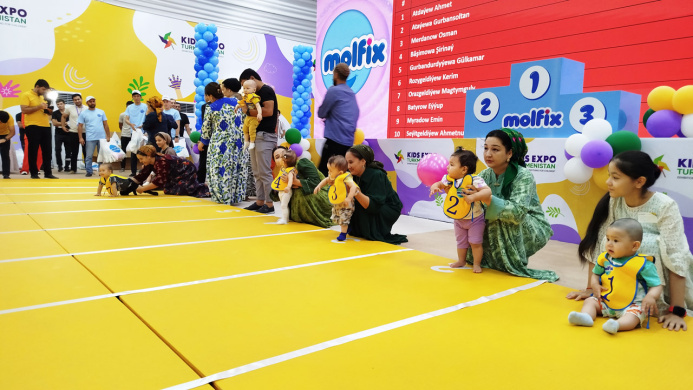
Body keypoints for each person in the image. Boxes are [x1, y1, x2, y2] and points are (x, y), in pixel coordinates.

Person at [568, 150, 693, 331]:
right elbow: (601, 244)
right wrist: (591, 287)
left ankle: (649, 304)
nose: (608, 182)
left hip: (658, 283)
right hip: (621, 282)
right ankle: (618, 301)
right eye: (609, 176)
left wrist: (676, 310)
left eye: (615, 177)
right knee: (613, 238)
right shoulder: (615, 201)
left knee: (648, 241)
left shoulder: (665, 205)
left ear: (639, 181)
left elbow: (676, 256)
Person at [461, 129, 556, 280]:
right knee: (475, 217)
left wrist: (486, 198)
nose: (488, 154)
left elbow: (517, 213)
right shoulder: (484, 175)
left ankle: (509, 261)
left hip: (529, 224)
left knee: (501, 216)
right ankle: (487, 259)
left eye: (495, 149)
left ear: (509, 153)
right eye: (485, 148)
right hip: (503, 220)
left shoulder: (523, 175)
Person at [568, 218, 662, 334]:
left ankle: (617, 325)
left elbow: (657, 285)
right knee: (590, 301)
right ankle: (586, 317)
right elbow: (596, 274)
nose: (609, 244)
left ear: (634, 246)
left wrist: (651, 297)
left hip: (631, 305)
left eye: (616, 241)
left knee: (634, 316)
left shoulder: (643, 265)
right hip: (606, 301)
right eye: (608, 239)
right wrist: (595, 285)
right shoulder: (605, 258)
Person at [429, 147, 492, 272]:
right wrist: (435, 186)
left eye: (451, 165)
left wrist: (474, 196)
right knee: (461, 242)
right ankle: (461, 261)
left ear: (464, 169)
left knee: (475, 243)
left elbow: (488, 191)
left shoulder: (475, 180)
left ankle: (476, 264)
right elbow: (439, 184)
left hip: (475, 220)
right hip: (459, 219)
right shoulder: (449, 179)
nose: (447, 167)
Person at [344, 144, 407, 244]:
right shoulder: (354, 175)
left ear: (363, 161)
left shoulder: (376, 175)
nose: (348, 166)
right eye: (346, 162)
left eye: (351, 162)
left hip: (388, 208)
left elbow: (373, 206)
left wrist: (355, 191)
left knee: (361, 208)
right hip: (373, 204)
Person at [198, 82, 247, 205]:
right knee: (235, 166)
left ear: (209, 95)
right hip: (238, 141)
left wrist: (202, 142)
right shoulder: (237, 102)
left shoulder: (211, 107)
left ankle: (222, 196)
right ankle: (235, 196)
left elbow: (206, 129)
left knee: (219, 168)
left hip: (220, 143)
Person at [240, 68, 278, 214]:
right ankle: (260, 200)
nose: (245, 89)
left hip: (265, 135)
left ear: (252, 78)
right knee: (256, 171)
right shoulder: (252, 95)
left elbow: (267, 111)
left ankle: (269, 204)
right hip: (255, 135)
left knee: (264, 171)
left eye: (246, 85)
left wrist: (248, 112)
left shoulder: (266, 91)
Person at [270, 146, 333, 228]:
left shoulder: (302, 163)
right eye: (277, 157)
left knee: (300, 193)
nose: (282, 158)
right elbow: (275, 196)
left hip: (320, 192)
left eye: (283, 154)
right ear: (276, 162)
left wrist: (295, 182)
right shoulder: (283, 171)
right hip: (296, 213)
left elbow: (315, 183)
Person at [317, 63, 359, 177]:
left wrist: (328, 116)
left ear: (335, 75)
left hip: (334, 140)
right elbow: (355, 114)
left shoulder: (333, 91)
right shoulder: (351, 93)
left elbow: (321, 112)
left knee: (324, 174)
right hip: (348, 143)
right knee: (342, 176)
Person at [129, 145, 208, 197]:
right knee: (168, 190)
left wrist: (142, 189)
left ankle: (203, 187)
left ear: (148, 156)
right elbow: (141, 176)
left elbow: (159, 181)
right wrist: (129, 183)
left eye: (141, 159)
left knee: (181, 191)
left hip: (187, 170)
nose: (140, 161)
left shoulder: (161, 161)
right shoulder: (150, 163)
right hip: (176, 174)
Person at [314, 155, 359, 241]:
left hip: (346, 203)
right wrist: (319, 186)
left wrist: (349, 198)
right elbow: (326, 180)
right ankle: (347, 228)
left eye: (331, 170)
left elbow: (353, 187)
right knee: (337, 217)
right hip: (337, 202)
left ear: (340, 172)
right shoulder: (333, 176)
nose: (329, 173)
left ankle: (343, 234)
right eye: (328, 170)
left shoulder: (345, 177)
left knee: (343, 218)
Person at [19, 79, 57, 179]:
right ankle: (34, 173)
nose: (44, 91)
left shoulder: (43, 97)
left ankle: (48, 173)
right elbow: (24, 110)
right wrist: (39, 106)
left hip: (45, 125)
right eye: (43, 89)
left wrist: (48, 110)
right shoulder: (26, 95)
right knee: (33, 150)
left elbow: (49, 112)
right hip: (32, 125)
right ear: (37, 86)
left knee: (47, 150)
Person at [77, 96, 111, 177]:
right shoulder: (83, 113)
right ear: (87, 103)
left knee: (101, 155)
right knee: (89, 156)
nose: (92, 103)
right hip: (90, 138)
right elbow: (80, 126)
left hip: (102, 138)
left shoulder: (101, 112)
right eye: (90, 101)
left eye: (93, 101)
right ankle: (89, 171)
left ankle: (101, 171)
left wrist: (108, 136)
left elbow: (105, 124)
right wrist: (80, 137)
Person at [270, 149, 297, 225]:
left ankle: (284, 219)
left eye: (283, 160)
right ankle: (285, 218)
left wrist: (288, 187)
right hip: (281, 190)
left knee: (283, 205)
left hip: (286, 191)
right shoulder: (283, 169)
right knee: (283, 205)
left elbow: (291, 180)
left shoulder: (290, 171)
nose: (281, 161)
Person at [235, 79, 263, 150]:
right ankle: (246, 141)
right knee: (244, 129)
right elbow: (242, 103)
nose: (245, 90)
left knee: (252, 130)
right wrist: (238, 106)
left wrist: (259, 113)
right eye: (244, 88)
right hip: (248, 117)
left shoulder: (253, 97)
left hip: (254, 118)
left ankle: (252, 142)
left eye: (248, 88)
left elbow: (258, 106)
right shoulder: (245, 97)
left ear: (254, 90)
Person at [124, 90, 147, 176]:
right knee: (134, 151)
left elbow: (148, 117)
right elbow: (126, 119)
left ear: (140, 97)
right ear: (132, 97)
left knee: (144, 152)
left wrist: (143, 125)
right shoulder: (129, 107)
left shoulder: (145, 106)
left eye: (138, 96)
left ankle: (144, 170)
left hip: (143, 132)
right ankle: (133, 172)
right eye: (135, 96)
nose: (136, 98)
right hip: (133, 132)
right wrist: (130, 124)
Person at [61, 93, 85, 174]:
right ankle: (73, 169)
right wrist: (63, 126)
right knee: (74, 151)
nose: (77, 101)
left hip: (85, 132)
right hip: (73, 132)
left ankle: (88, 169)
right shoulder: (70, 108)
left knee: (86, 151)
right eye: (75, 100)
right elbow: (63, 117)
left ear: (81, 99)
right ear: (73, 101)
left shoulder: (87, 108)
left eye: (78, 99)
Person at [51, 98, 70, 172]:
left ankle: (67, 166)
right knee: (57, 149)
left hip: (68, 133)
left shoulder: (69, 112)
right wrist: (64, 123)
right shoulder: (55, 113)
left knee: (68, 150)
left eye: (61, 104)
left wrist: (59, 123)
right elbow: (54, 123)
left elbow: (72, 122)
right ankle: (59, 165)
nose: (59, 105)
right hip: (58, 134)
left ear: (64, 104)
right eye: (58, 104)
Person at [0, 110, 15, 179]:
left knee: (5, 154)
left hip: (5, 135)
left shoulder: (9, 118)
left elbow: (12, 132)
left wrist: (5, 139)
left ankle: (6, 174)